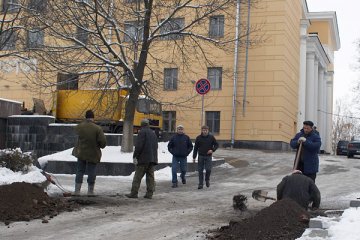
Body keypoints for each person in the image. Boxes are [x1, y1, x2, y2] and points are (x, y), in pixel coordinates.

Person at [73, 110, 107, 195]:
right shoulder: (97, 129)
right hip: (93, 153)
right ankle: (90, 191)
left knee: (80, 170)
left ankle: (77, 191)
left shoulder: (79, 127)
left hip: (81, 153)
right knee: (92, 171)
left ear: (85, 117)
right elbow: (103, 143)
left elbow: (77, 137)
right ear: (93, 117)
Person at [126, 119, 158, 199]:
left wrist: (135, 156)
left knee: (137, 176)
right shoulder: (153, 133)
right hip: (152, 159)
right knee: (150, 177)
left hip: (143, 159)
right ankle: (149, 194)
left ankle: (134, 193)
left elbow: (139, 146)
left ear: (142, 125)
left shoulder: (142, 132)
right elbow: (156, 146)